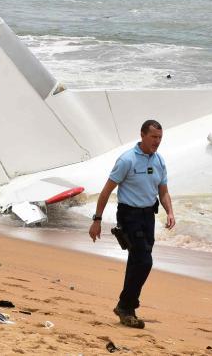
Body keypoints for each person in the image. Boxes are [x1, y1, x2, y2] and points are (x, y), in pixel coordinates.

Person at [89, 119, 175, 328]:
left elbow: (163, 191)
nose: (157, 141)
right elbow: (107, 190)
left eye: (160, 138)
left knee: (137, 262)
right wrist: (97, 220)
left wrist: (170, 212)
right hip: (129, 215)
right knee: (144, 262)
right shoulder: (127, 160)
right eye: (153, 137)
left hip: (148, 216)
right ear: (143, 135)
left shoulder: (159, 161)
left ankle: (126, 308)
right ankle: (126, 305)